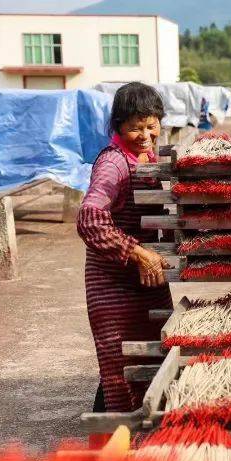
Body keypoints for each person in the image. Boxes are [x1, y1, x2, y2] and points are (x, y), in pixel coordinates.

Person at [77, 82, 172, 413]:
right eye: (135, 127)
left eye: (151, 125)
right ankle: (108, 448)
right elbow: (90, 218)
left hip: (146, 282)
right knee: (119, 371)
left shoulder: (146, 156)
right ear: (118, 127)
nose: (145, 134)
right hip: (114, 287)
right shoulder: (113, 163)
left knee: (153, 360)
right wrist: (140, 253)